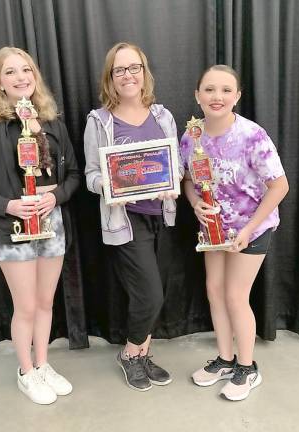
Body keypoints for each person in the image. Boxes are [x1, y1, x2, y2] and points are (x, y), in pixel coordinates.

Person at [0, 47, 80, 405]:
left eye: (26, 70)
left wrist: (54, 198)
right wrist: (9, 205)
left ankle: (42, 365)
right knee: (25, 306)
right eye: (10, 72)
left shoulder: (52, 122)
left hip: (52, 223)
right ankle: (26, 371)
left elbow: (72, 174)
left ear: (35, 75)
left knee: (45, 303)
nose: (20, 77)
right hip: (13, 230)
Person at [180, 65, 289, 401]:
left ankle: (247, 367)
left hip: (251, 228)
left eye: (226, 90)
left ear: (238, 96)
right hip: (212, 229)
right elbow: (186, 179)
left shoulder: (252, 135)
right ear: (198, 95)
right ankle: (225, 359)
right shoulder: (191, 135)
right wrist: (195, 201)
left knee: (234, 296)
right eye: (210, 89)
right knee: (214, 291)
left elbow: (280, 185)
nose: (218, 97)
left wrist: (248, 229)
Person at [84, 42, 184, 391]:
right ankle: (129, 354)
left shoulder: (163, 116)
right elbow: (91, 176)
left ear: (144, 72)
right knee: (150, 294)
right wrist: (118, 184)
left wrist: (173, 182)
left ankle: (144, 353)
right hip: (125, 221)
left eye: (134, 67)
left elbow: (177, 164)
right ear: (110, 77)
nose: (128, 75)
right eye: (120, 69)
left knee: (157, 291)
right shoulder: (100, 121)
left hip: (162, 215)